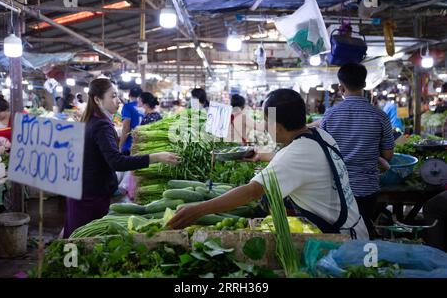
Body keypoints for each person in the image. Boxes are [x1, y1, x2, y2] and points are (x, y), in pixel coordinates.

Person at [168, 89, 369, 240]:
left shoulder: (294, 154)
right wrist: (262, 155)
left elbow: (251, 192)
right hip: (354, 227)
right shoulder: (320, 136)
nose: (264, 126)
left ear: (279, 127)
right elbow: (304, 165)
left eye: (267, 121)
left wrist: (198, 210)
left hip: (341, 241)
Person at [63, 79, 179, 238]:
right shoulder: (101, 125)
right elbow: (116, 162)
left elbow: (106, 155)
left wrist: (132, 153)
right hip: (89, 195)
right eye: (113, 96)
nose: (118, 101)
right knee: (82, 243)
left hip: (82, 190)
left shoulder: (92, 120)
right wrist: (156, 157)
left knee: (75, 241)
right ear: (97, 99)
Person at [319, 63, 394, 236]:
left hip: (337, 187)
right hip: (367, 188)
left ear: (340, 87)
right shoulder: (380, 115)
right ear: (365, 85)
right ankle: (365, 260)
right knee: (363, 232)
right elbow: (388, 155)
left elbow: (322, 151)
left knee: (339, 235)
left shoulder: (330, 114)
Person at [119, 86, 143, 155]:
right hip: (143, 145)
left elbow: (126, 128)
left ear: (129, 96)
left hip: (130, 146)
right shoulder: (145, 107)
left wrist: (119, 146)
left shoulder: (127, 107)